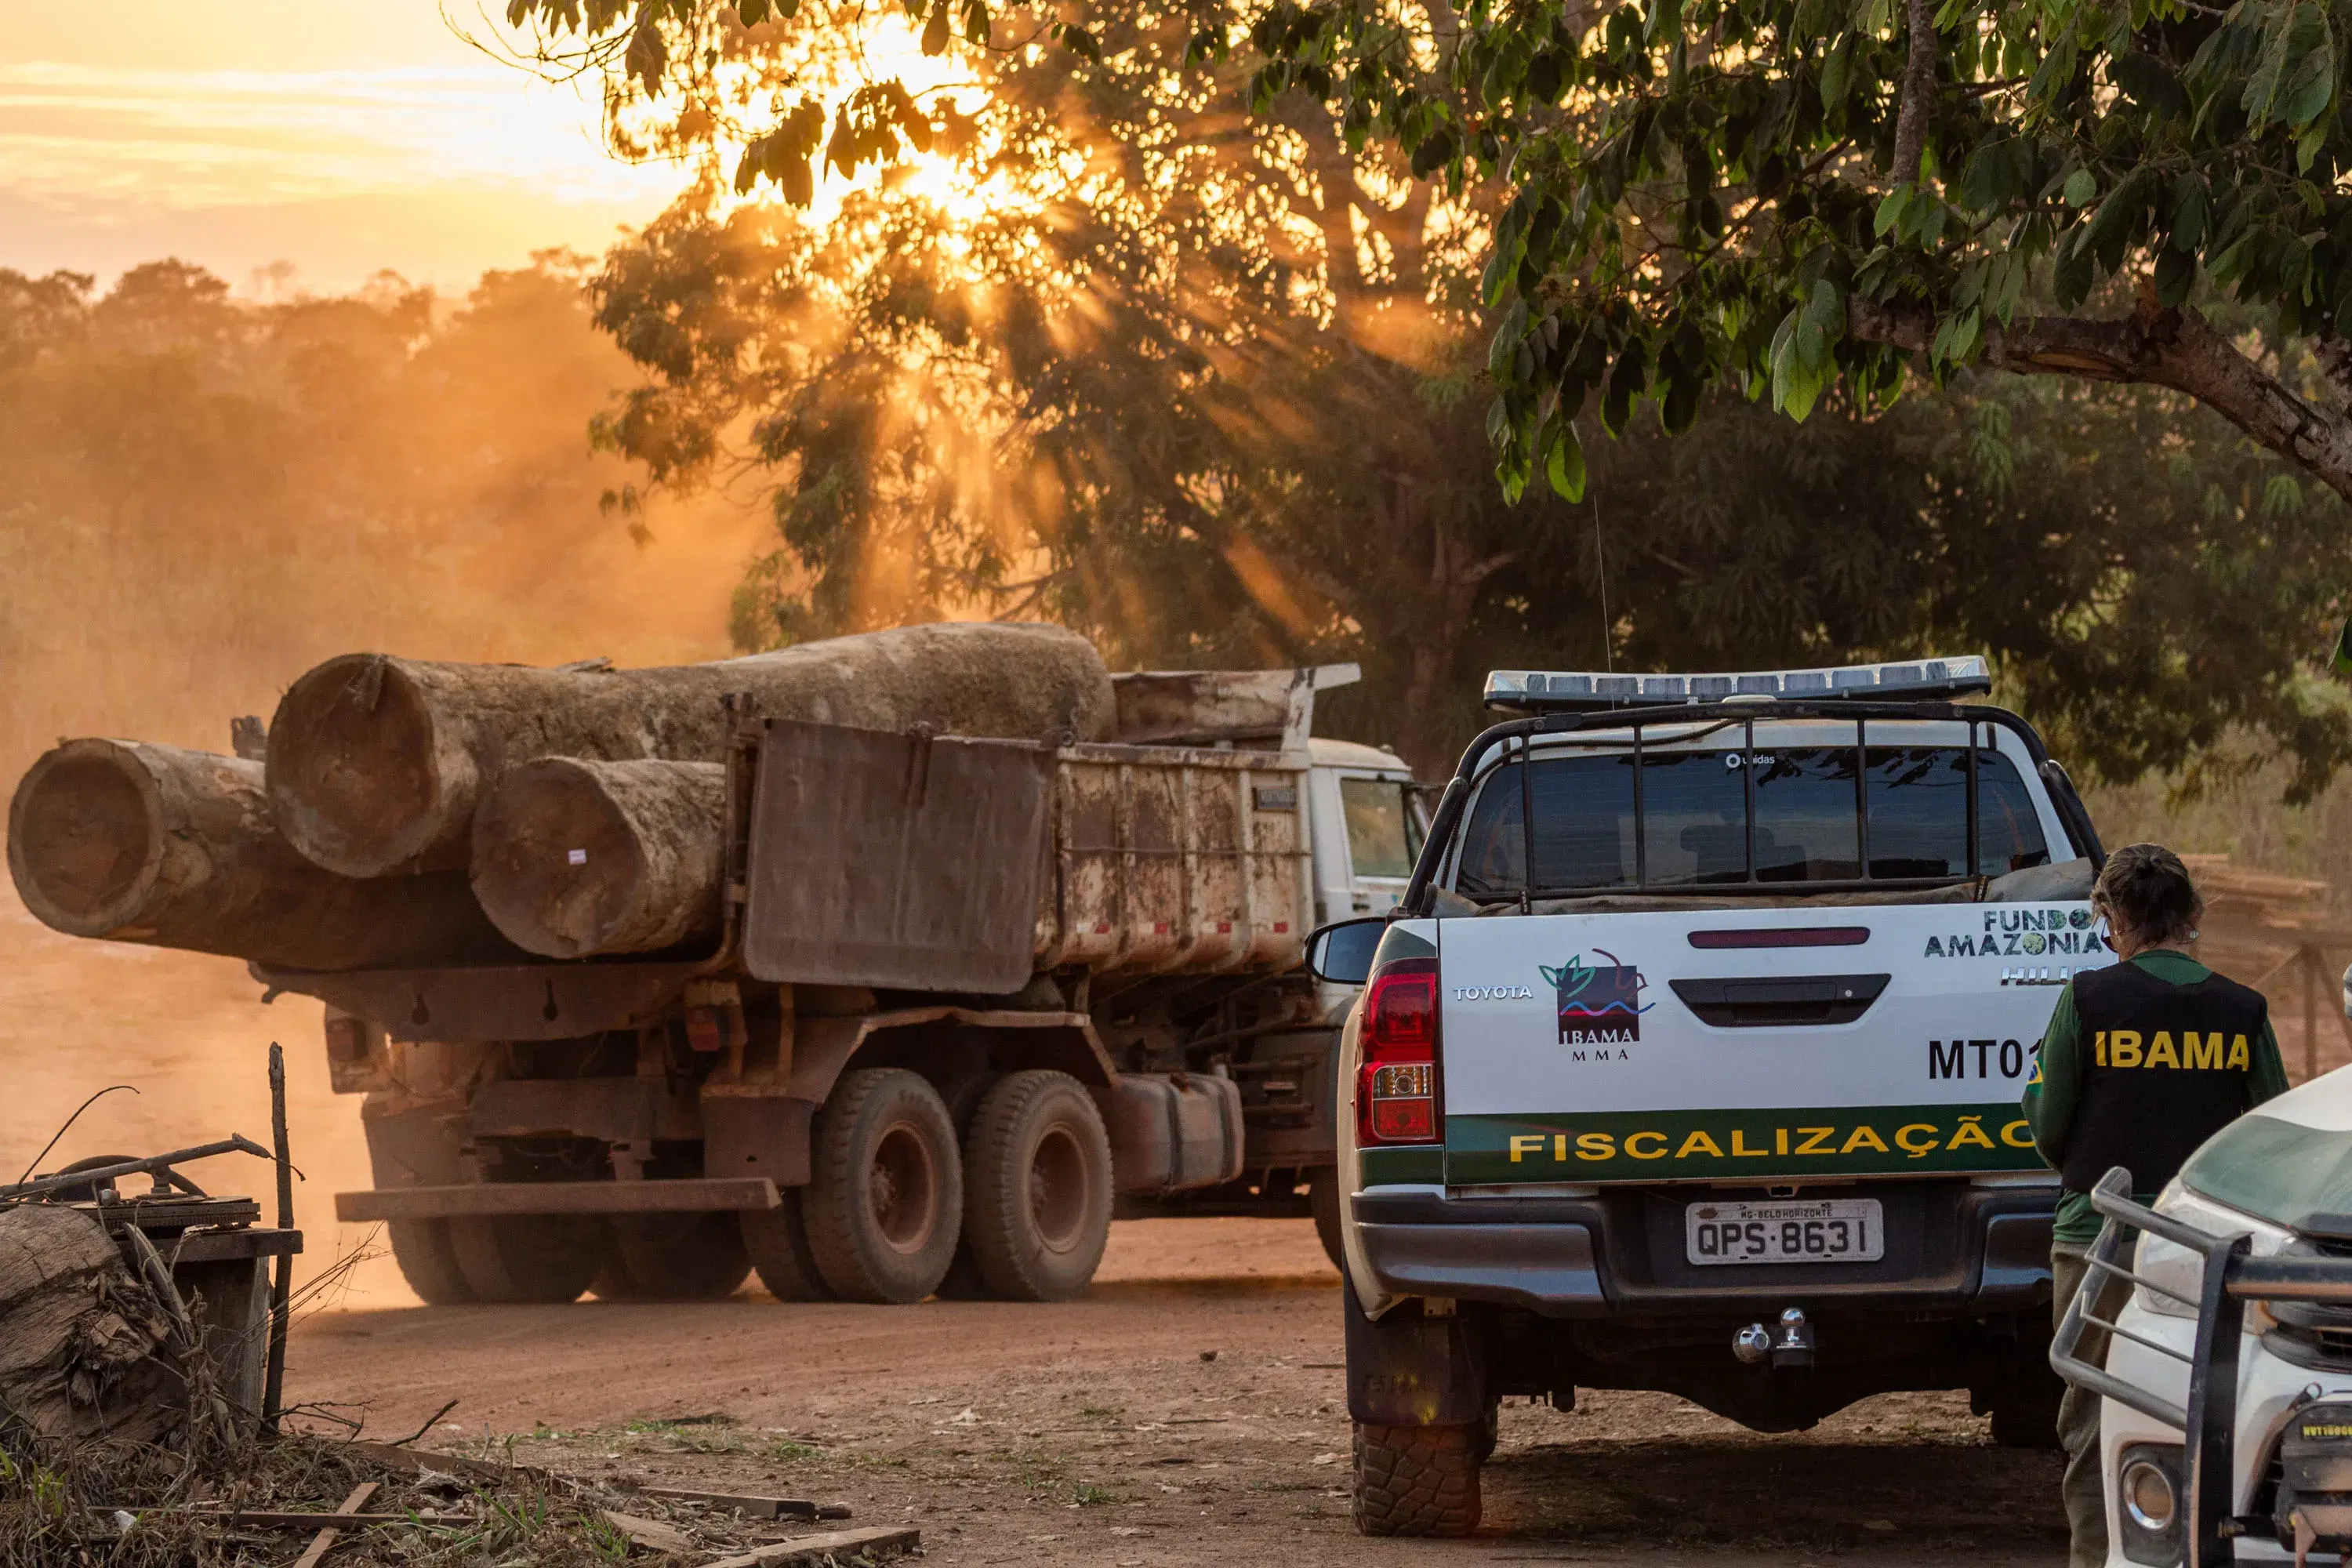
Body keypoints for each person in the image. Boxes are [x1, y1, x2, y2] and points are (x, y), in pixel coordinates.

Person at [2022, 843, 2288, 1568]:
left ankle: (2099, 1556)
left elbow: (2049, 1124)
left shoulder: (2085, 1000)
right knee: (2216, 1415)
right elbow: (2269, 1136)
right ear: (2193, 917)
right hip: (2208, 1257)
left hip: (2098, 1243)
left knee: (2092, 1421)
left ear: (2109, 919)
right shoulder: (2244, 1011)